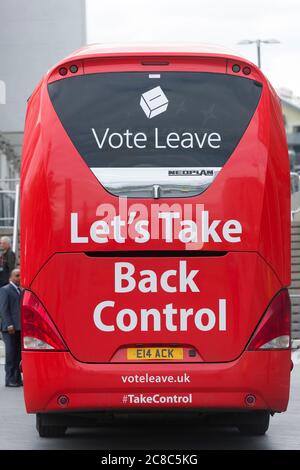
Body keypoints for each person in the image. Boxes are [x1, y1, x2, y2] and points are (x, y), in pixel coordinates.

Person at [0, 269, 22, 387]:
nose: (19, 277)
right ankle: (9, 379)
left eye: (20, 275)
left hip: (20, 328)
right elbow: (4, 309)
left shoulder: (21, 290)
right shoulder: (5, 290)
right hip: (9, 329)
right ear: (11, 277)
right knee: (11, 354)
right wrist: (9, 324)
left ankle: (17, 379)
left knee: (18, 355)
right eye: (17, 275)